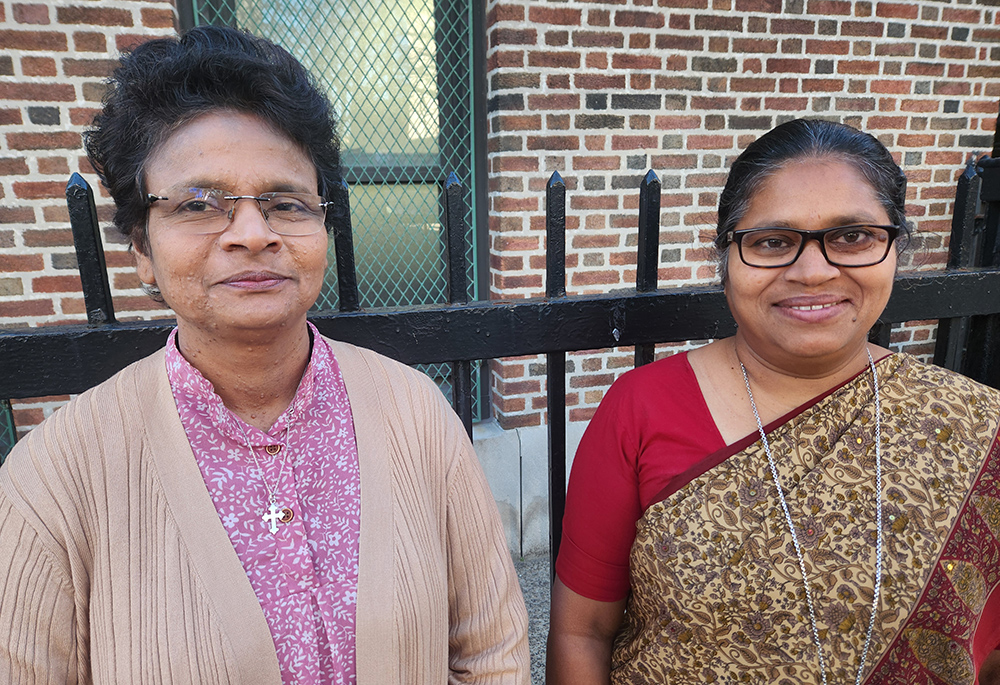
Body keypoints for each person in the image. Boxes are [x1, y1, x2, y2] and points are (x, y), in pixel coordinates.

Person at [0, 26, 528, 684]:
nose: (253, 234)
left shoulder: (417, 416)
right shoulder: (53, 485)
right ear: (141, 247)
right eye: (199, 204)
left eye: (284, 202)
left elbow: (489, 652)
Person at [547, 118, 1000, 684]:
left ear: (895, 248)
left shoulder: (974, 427)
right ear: (728, 258)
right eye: (772, 242)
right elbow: (580, 632)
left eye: (853, 236)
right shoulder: (640, 409)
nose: (813, 271)